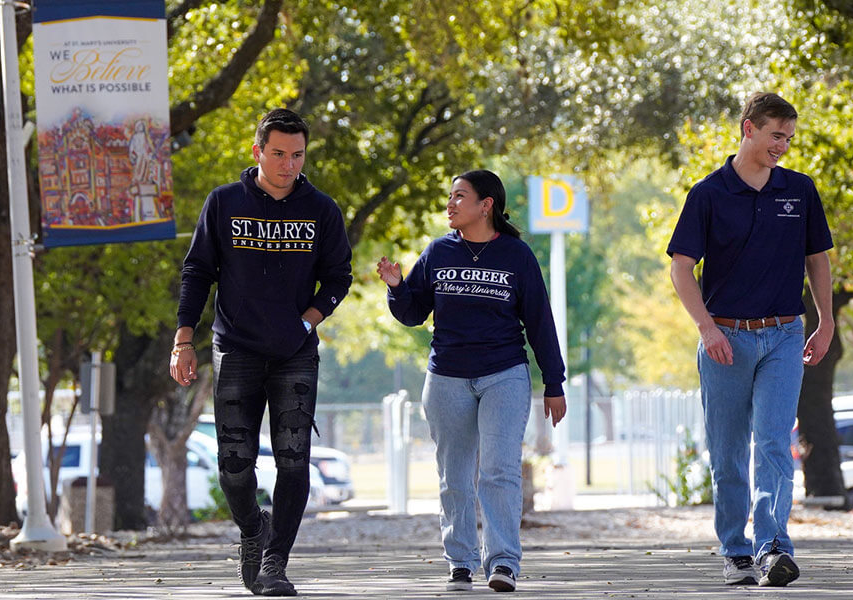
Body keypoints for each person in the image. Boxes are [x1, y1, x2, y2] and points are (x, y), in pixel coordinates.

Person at [170, 108, 351, 597]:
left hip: (295, 352)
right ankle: (254, 528)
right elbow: (197, 273)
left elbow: (339, 278)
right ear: (258, 152)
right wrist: (183, 339)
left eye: (297, 155)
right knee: (234, 465)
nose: (288, 164)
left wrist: (306, 321)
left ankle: (275, 563)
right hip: (236, 349)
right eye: (278, 154)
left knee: (294, 461)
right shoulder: (224, 202)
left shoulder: (321, 209)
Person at [666, 92, 834, 587]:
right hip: (725, 338)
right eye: (775, 135)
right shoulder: (708, 193)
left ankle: (774, 546)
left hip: (784, 334)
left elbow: (817, 259)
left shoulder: (799, 191)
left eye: (788, 137)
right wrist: (706, 327)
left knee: (776, 445)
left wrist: (825, 320)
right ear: (748, 129)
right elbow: (680, 269)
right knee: (729, 452)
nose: (782, 145)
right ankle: (736, 549)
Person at [378, 170, 568, 593]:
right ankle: (460, 561)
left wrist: (554, 383)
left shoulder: (516, 255)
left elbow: (540, 322)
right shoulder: (438, 252)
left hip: (504, 374)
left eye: (459, 197)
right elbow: (413, 313)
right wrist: (396, 287)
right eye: (449, 197)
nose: (450, 204)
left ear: (486, 205)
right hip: (446, 377)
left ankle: (502, 563)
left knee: (499, 471)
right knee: (455, 476)